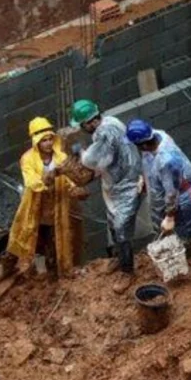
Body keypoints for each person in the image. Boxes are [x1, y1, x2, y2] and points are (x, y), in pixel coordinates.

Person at [0, 117, 80, 282]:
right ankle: (11, 266)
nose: (47, 143)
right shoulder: (28, 159)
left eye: (49, 139)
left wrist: (74, 187)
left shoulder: (60, 156)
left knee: (56, 238)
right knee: (23, 235)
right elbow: (31, 182)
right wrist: (47, 178)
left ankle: (54, 270)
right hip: (34, 205)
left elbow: (68, 178)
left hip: (56, 205)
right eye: (43, 140)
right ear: (36, 141)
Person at [71, 99, 145, 294]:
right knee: (112, 223)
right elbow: (108, 158)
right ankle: (118, 258)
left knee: (121, 228)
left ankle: (127, 271)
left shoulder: (104, 132)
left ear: (90, 122)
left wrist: (80, 152)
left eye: (82, 125)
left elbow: (92, 160)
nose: (82, 129)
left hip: (126, 185)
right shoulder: (111, 121)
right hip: (116, 181)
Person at [126, 121, 191, 288]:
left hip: (185, 196)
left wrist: (170, 215)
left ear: (142, 144)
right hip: (166, 192)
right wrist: (145, 179)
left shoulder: (166, 160)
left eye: (136, 145)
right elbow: (147, 161)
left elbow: (172, 192)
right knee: (166, 233)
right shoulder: (157, 134)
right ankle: (173, 267)